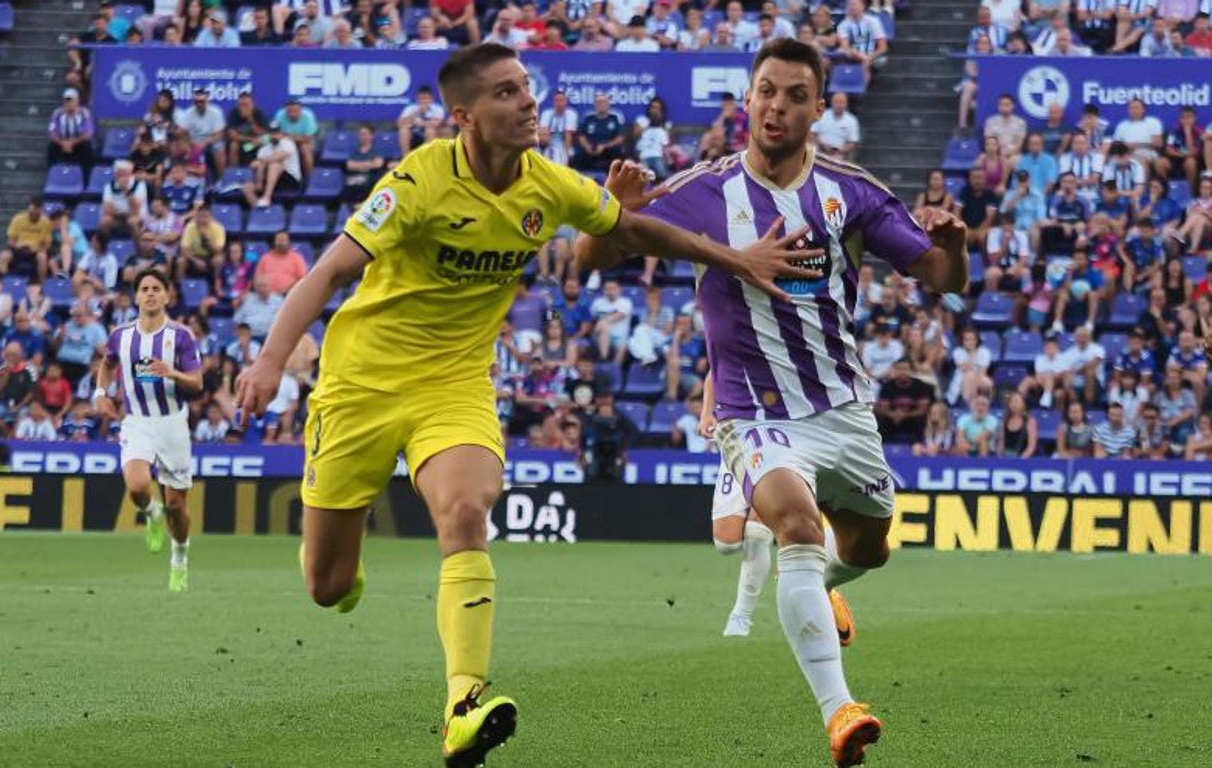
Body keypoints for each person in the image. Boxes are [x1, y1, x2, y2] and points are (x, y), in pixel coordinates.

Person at [234, 44, 808, 767]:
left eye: (527, 88)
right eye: (507, 93)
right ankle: (342, 575)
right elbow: (327, 273)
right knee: (327, 585)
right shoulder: (415, 182)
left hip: (456, 385)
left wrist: (737, 258)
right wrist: (268, 360)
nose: (528, 102)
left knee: (467, 511)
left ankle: (464, 703)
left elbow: (629, 231)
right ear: (465, 116)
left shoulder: (547, 184)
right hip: (361, 388)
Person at [574, 39, 969, 768]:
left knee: (869, 550)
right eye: (765, 91)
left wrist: (957, 246)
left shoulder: (849, 192)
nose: (776, 106)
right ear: (746, 99)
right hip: (752, 410)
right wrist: (613, 217)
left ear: (821, 107)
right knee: (792, 523)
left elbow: (942, 277)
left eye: (793, 95)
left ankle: (820, 593)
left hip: (842, 408)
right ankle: (840, 710)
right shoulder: (703, 189)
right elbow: (588, 261)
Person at [96, 269, 202, 592]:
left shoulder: (181, 336)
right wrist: (101, 394)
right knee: (138, 486)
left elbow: (197, 383)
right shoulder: (121, 336)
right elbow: (108, 363)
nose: (151, 293)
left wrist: (172, 373)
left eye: (157, 288)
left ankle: (179, 560)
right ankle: (150, 513)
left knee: (177, 505)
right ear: (137, 297)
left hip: (172, 423)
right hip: (137, 421)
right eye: (145, 288)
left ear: (167, 296)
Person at [696, 376, 776, 637]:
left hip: (778, 442)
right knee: (727, 544)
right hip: (736, 439)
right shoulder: (737, 337)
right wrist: (706, 413)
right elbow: (715, 372)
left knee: (757, 533)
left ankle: (741, 615)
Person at [243, 122, 303, 208]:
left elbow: (278, 157)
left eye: (276, 133)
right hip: (269, 179)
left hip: (290, 179)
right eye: (271, 133)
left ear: (281, 133)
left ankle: (267, 198)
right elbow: (253, 164)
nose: (274, 136)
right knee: (247, 187)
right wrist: (259, 181)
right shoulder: (264, 149)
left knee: (274, 165)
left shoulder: (287, 143)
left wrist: (261, 162)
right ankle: (258, 210)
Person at [0, 197, 54, 282]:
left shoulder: (46, 222)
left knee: (42, 257)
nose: (33, 214)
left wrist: (38, 249)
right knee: (3, 256)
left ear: (41, 211)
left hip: (35, 251)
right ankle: (2, 284)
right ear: (28, 209)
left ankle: (42, 284)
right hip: (18, 249)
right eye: (31, 211)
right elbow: (11, 240)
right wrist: (17, 247)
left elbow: (47, 244)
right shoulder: (18, 219)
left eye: (36, 212)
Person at [47, 88, 97, 179]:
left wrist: (72, 142)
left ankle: (86, 179)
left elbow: (89, 132)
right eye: (67, 101)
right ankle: (52, 176)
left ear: (77, 101)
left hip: (78, 144)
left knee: (87, 147)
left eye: (71, 101)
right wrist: (62, 143)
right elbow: (52, 132)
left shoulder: (84, 113)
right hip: (62, 143)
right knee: (52, 147)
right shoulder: (57, 113)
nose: (69, 104)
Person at [398, 85, 446, 158]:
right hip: (413, 134)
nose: (423, 101)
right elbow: (399, 123)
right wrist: (415, 113)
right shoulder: (411, 108)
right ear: (417, 99)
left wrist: (422, 123)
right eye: (421, 99)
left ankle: (426, 158)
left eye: (426, 98)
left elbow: (438, 123)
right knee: (403, 131)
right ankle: (406, 157)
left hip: (431, 134)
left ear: (431, 99)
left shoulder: (437, 108)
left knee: (429, 130)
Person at [810, 92, 860, 161]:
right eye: (837, 102)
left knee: (837, 160)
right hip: (820, 148)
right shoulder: (822, 114)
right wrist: (822, 145)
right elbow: (812, 134)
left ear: (846, 104)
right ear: (832, 103)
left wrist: (841, 150)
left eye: (842, 102)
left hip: (839, 152)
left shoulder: (851, 120)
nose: (839, 105)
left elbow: (853, 142)